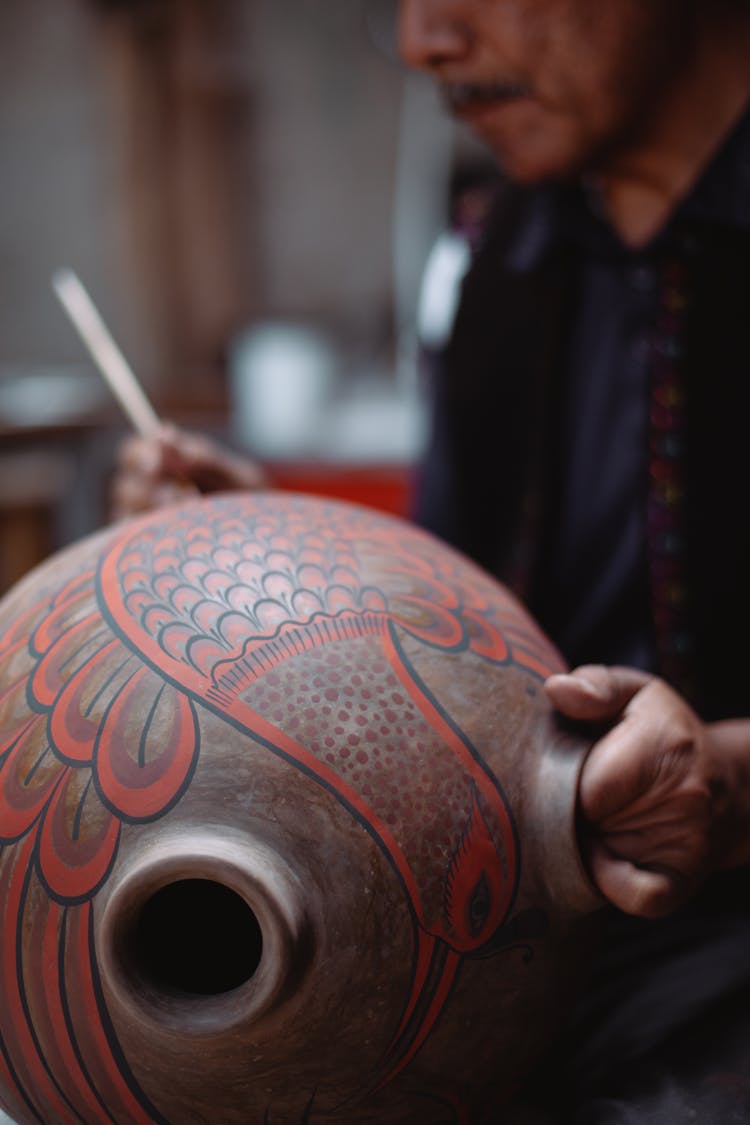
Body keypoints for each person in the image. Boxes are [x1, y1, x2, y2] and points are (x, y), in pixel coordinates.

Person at [111, 1, 750, 1118]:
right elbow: (463, 623)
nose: (424, 42)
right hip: (517, 918)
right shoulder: (507, 252)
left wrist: (726, 782)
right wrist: (287, 555)